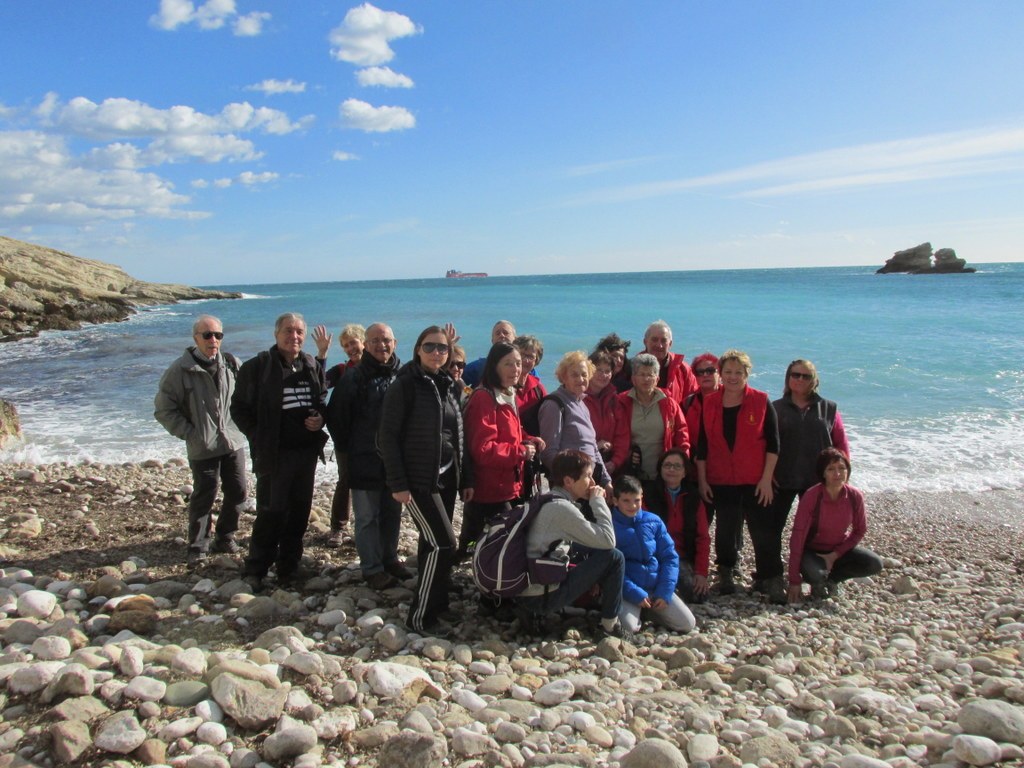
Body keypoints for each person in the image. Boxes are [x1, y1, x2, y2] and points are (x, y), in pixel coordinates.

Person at [379, 326, 475, 633]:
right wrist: (398, 483)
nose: (437, 353)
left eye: (443, 349)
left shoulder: (448, 384)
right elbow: (387, 437)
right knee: (444, 544)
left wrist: (465, 478)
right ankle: (421, 618)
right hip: (417, 480)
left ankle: (438, 604)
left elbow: (457, 435)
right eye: (430, 347)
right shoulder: (405, 384)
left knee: (430, 544)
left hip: (445, 478)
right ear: (418, 349)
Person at [230, 313, 327, 590]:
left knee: (299, 512)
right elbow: (238, 408)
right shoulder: (258, 367)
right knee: (271, 511)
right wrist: (257, 435)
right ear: (276, 334)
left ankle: (288, 566)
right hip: (273, 453)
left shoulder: (310, 365)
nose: (293, 336)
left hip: (305, 454)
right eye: (288, 331)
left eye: (299, 332)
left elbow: (321, 400)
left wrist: (320, 419)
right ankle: (256, 567)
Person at [154, 315, 248, 565]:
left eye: (218, 335)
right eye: (207, 335)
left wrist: (244, 426)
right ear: (195, 338)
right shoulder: (180, 370)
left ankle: (225, 536)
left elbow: (246, 398)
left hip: (232, 441)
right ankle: (198, 543)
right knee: (205, 493)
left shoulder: (231, 363)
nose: (213, 340)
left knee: (239, 491)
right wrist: (190, 433)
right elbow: (164, 410)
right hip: (202, 444)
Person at [326, 322, 408, 590]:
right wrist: (351, 453)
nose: (381, 345)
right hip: (363, 459)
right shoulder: (354, 378)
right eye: (374, 340)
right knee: (367, 517)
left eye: (386, 340)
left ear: (394, 343)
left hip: (395, 461)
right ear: (366, 344)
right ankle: (372, 569)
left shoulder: (404, 375)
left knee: (391, 514)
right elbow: (337, 420)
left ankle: (390, 559)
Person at [695, 350, 782, 601]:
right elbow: (702, 445)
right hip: (720, 478)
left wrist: (766, 479)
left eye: (738, 373)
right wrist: (702, 480)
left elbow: (774, 445)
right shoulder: (710, 402)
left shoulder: (761, 400)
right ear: (720, 373)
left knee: (763, 530)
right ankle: (726, 572)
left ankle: (771, 577)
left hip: (756, 480)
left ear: (747, 374)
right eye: (728, 372)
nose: (733, 377)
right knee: (725, 529)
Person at [516, 449, 626, 638]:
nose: (592, 483)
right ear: (568, 481)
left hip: (527, 590)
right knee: (614, 557)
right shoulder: (562, 509)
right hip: (540, 597)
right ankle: (610, 626)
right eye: (588, 476)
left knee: (591, 549)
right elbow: (608, 541)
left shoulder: (548, 499)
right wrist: (598, 501)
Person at [461, 342, 545, 558]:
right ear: (494, 366)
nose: (516, 369)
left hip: (506, 485)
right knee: (483, 541)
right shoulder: (484, 398)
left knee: (483, 540)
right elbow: (483, 449)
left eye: (518, 364)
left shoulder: (506, 393)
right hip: (488, 489)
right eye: (508, 364)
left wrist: (529, 439)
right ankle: (479, 582)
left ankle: (474, 576)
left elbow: (511, 432)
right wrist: (520, 452)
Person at [787, 448, 882, 601]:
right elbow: (797, 537)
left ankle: (833, 580)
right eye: (831, 469)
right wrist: (794, 580)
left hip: (839, 550)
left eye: (842, 468)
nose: (837, 474)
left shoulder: (854, 496)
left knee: (874, 563)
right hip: (813, 551)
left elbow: (860, 530)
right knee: (814, 574)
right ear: (823, 473)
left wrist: (835, 554)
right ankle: (818, 582)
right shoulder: (812, 496)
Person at [772, 359, 850, 537]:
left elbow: (841, 444)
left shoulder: (829, 408)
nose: (799, 379)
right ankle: (772, 566)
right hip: (782, 478)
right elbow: (764, 444)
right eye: (795, 375)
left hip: (817, 478)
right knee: (772, 529)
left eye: (805, 376)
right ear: (788, 378)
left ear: (814, 380)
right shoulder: (775, 408)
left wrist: (843, 475)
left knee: (815, 529)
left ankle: (811, 564)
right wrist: (766, 474)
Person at [611, 475, 696, 634]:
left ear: (642, 497)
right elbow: (610, 567)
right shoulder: (609, 526)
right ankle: (638, 611)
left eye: (637, 500)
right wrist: (635, 593)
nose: (633, 506)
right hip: (628, 590)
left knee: (687, 624)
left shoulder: (654, 521)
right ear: (615, 501)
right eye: (626, 501)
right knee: (628, 628)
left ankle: (650, 611)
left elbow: (669, 557)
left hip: (655, 587)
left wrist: (665, 591)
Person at [317, 323, 366, 548]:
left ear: (364, 341)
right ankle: (338, 528)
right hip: (346, 438)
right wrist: (322, 354)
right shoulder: (341, 370)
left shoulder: (382, 367)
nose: (350, 349)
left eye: (353, 343)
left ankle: (366, 528)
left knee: (371, 483)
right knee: (345, 480)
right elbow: (318, 384)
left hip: (371, 438)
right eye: (346, 346)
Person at [643, 448, 711, 604]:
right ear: (660, 470)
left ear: (685, 472)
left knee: (698, 596)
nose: (671, 469)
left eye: (677, 466)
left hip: (682, 556)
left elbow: (703, 538)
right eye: (667, 465)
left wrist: (701, 573)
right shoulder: (648, 495)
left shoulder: (694, 498)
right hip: (656, 556)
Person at [538, 351, 612, 490]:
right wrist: (572, 480)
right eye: (574, 375)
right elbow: (548, 453)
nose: (580, 379)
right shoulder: (554, 405)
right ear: (563, 377)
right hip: (572, 486)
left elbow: (593, 448)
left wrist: (606, 482)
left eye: (584, 374)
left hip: (589, 482)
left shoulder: (582, 404)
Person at [617, 353, 689, 481]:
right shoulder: (621, 402)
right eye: (642, 374)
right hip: (630, 474)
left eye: (650, 375)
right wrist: (627, 455)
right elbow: (615, 437)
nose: (646, 379)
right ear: (633, 378)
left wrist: (681, 465)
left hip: (663, 476)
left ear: (657, 379)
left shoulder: (669, 403)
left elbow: (682, 435)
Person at [584, 350, 629, 476]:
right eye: (599, 370)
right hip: (582, 465)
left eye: (607, 371)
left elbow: (622, 434)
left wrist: (615, 462)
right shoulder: (577, 398)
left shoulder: (614, 400)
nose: (603, 375)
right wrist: (595, 447)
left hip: (609, 465)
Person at [641, 320, 698, 406]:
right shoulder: (633, 367)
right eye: (654, 340)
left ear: (670, 344)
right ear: (645, 342)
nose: (659, 345)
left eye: (664, 341)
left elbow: (694, 403)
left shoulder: (683, 369)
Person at [683, 352, 720, 455]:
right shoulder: (687, 403)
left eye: (710, 371)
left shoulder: (732, 401)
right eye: (700, 372)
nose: (705, 375)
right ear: (695, 377)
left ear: (720, 374)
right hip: (695, 462)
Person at [462, 320, 517, 388]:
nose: (502, 335)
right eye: (497, 333)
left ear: (515, 338)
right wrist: (469, 394)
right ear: (492, 340)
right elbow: (455, 380)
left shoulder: (524, 367)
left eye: (505, 333)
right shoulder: (478, 367)